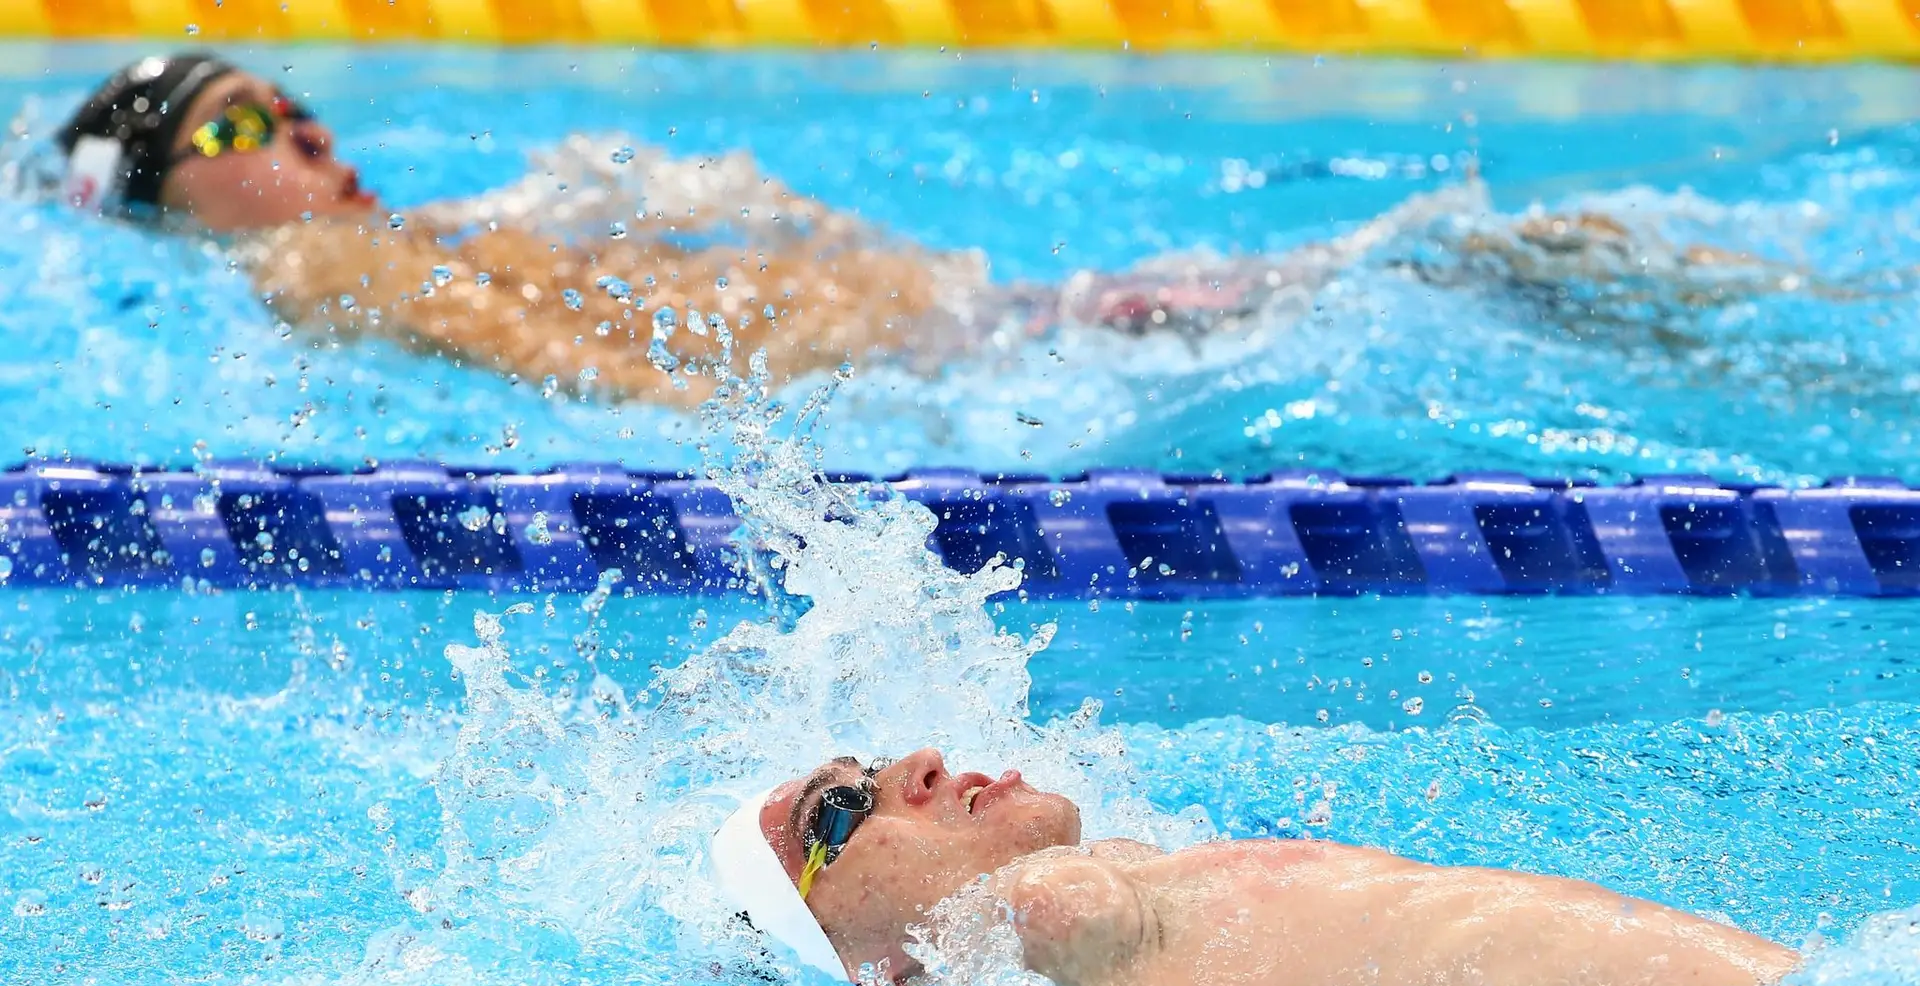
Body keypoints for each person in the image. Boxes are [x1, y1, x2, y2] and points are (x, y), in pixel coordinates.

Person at [49, 54, 1820, 410]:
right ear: (160, 199)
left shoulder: (387, 240)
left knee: (1485, 267)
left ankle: (1823, 316)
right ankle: (1827, 314)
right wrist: (740, 423)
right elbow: (574, 369)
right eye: (236, 127)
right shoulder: (312, 264)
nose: (302, 134)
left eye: (293, 104)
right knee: (1481, 257)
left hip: (984, 329)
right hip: (977, 350)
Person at [710, 748, 1800, 986]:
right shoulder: (1030, 922)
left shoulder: (1127, 883)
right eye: (842, 809)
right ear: (874, 970)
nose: (918, 760)